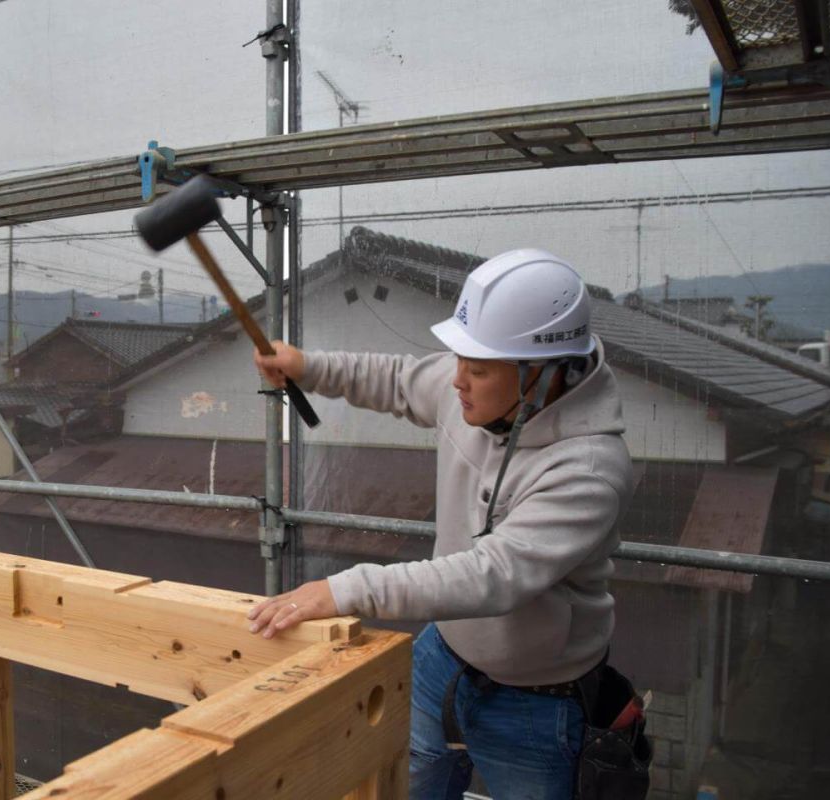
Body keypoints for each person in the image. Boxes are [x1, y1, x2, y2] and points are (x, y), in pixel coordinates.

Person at [246, 248, 634, 800]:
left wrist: (347, 588)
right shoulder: (479, 395)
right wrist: (305, 367)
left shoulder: (588, 469)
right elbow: (399, 379)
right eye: (459, 360)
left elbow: (491, 576)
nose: (456, 382)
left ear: (542, 372)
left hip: (539, 702)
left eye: (476, 368)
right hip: (441, 660)